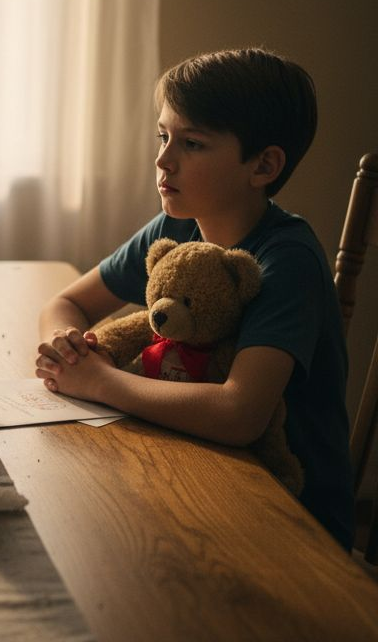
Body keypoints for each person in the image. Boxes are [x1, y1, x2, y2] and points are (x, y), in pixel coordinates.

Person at [34, 48, 353, 548]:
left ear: (263, 165)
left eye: (193, 143)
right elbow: (66, 304)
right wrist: (66, 346)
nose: (163, 160)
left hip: (291, 515)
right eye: (163, 137)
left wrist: (99, 381)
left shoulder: (287, 259)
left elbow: (239, 414)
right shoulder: (178, 225)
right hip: (198, 466)